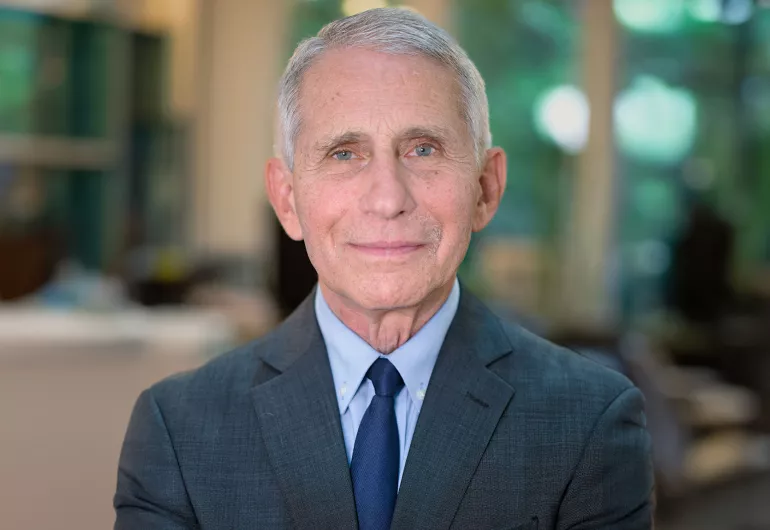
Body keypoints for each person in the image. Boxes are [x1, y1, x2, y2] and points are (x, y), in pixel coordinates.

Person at [114, 8, 653, 530]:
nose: (388, 198)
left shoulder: (588, 422)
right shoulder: (179, 430)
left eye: (423, 149)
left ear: (486, 188)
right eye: (345, 154)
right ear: (286, 200)